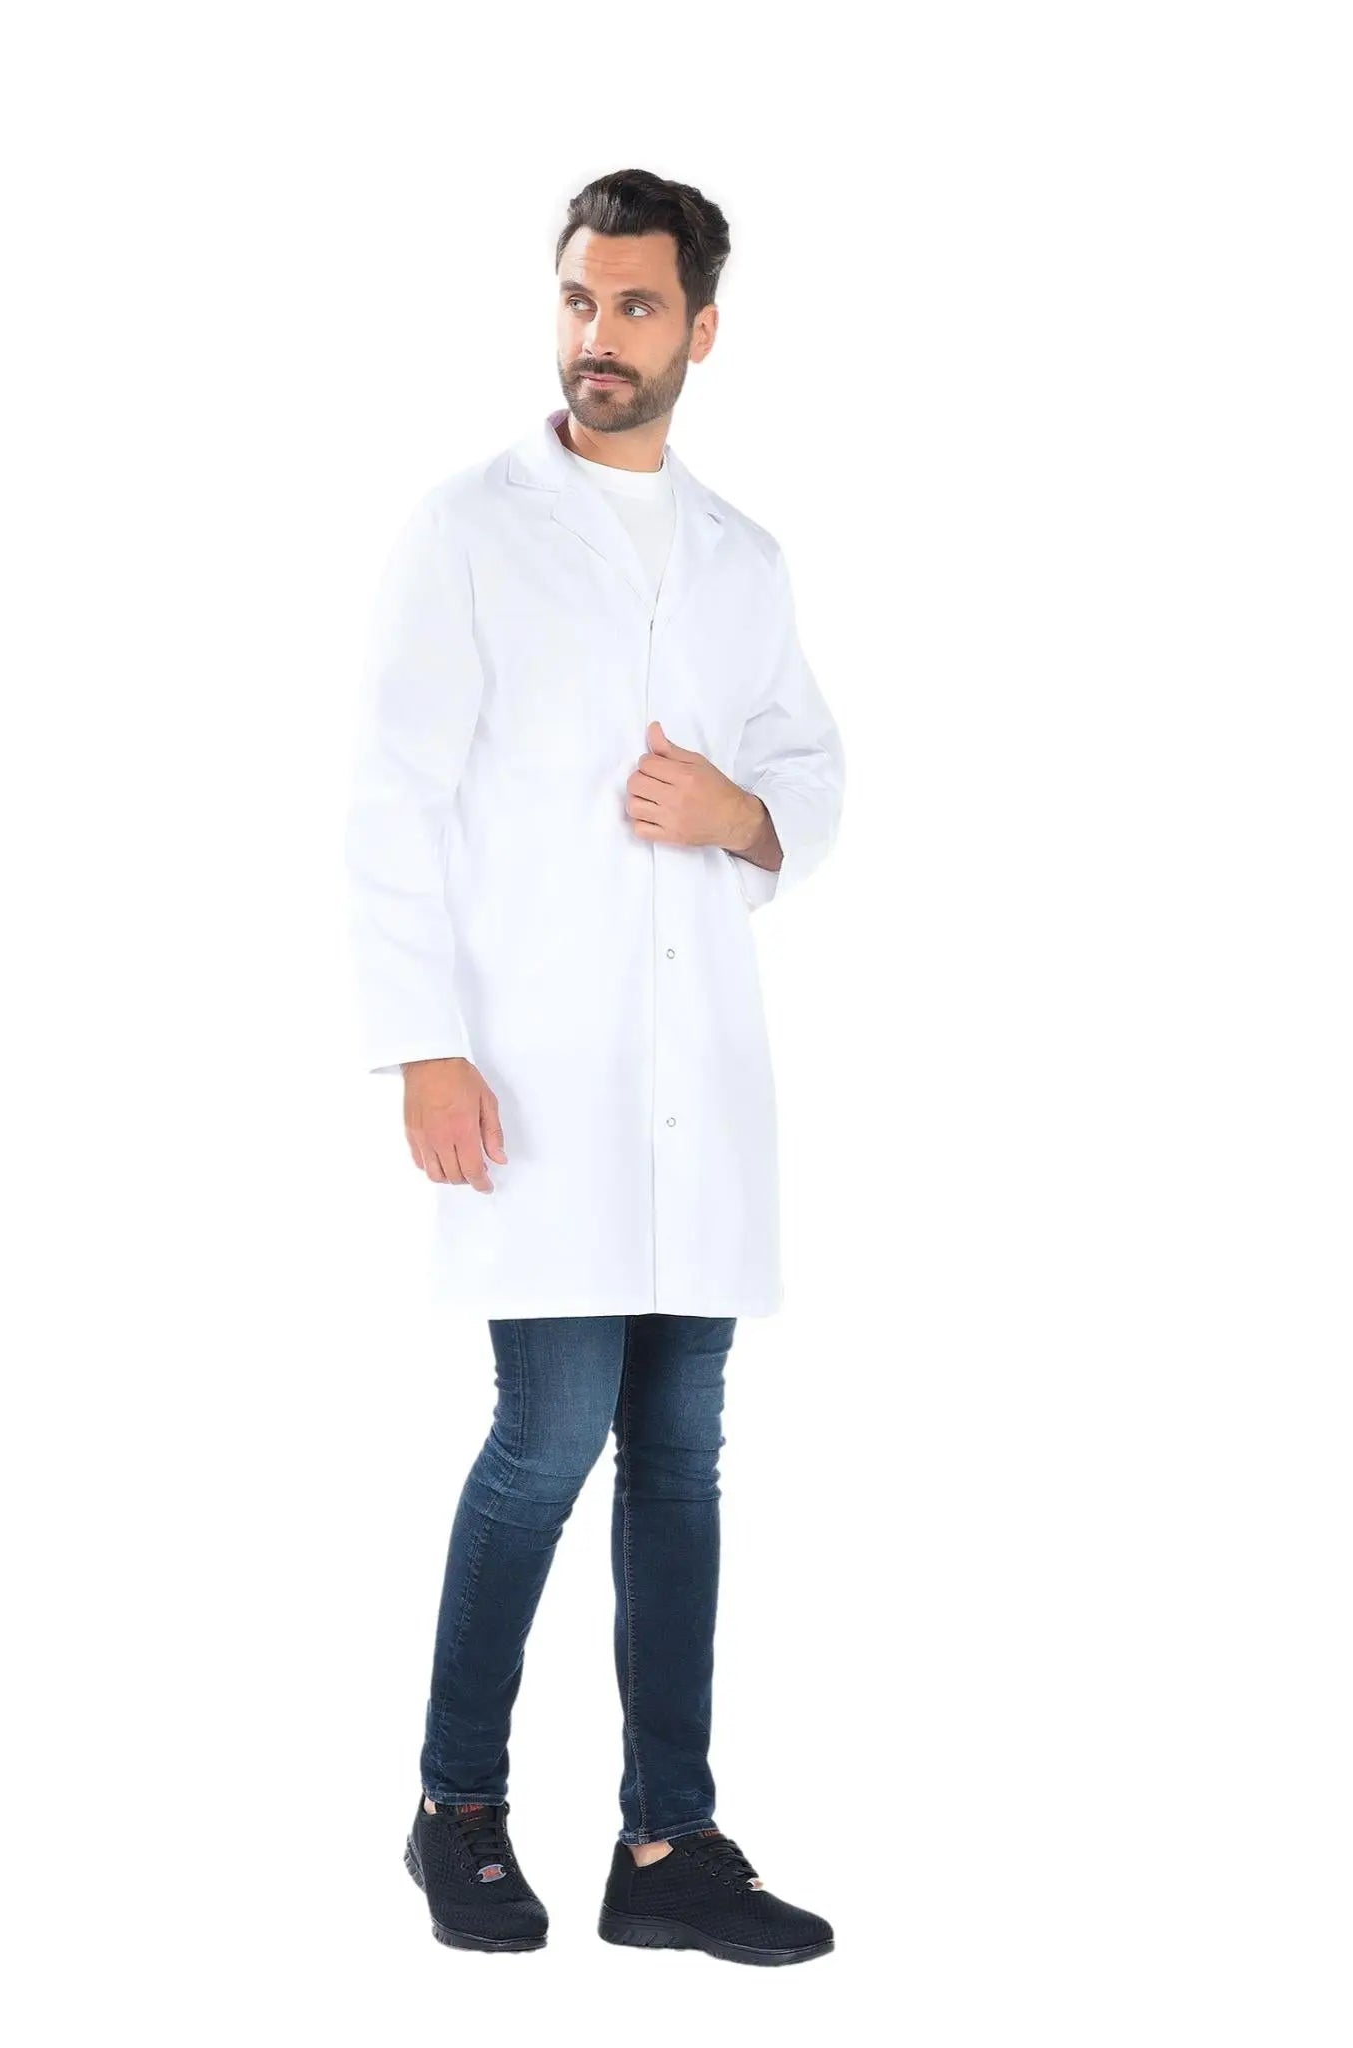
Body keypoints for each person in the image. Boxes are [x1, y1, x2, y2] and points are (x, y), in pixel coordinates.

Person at [343, 168, 847, 1966]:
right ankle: (456, 1809)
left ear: (701, 326)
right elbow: (392, 799)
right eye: (579, 300)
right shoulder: (469, 529)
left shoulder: (742, 561)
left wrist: (741, 815)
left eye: (637, 306)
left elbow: (811, 773)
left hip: (694, 1086)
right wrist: (424, 1046)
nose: (599, 336)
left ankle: (667, 1844)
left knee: (682, 1461)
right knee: (545, 1441)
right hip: (534, 1080)